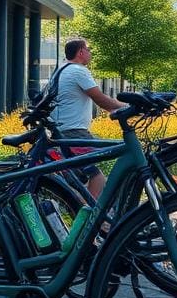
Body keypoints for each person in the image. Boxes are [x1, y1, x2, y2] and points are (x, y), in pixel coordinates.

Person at [52, 38, 124, 198]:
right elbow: (101, 100)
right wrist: (130, 107)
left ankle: (82, 212)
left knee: (79, 179)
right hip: (74, 134)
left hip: (61, 132)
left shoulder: (60, 70)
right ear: (80, 52)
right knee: (96, 177)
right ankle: (92, 219)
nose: (90, 53)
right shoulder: (78, 71)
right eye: (89, 49)